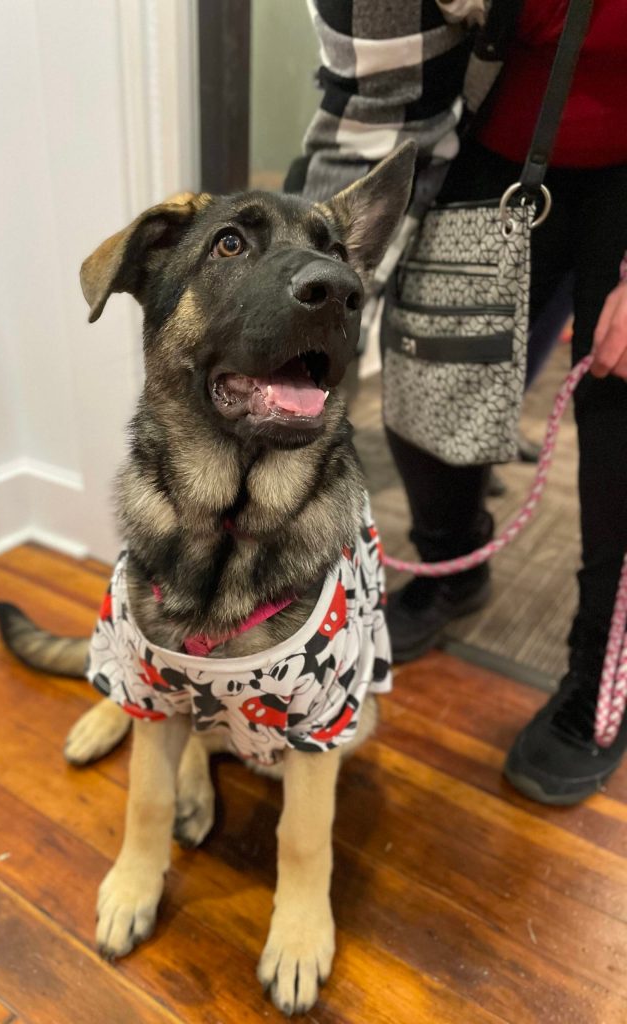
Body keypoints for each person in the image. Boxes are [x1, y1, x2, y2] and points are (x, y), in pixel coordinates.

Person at [286, 0, 627, 805]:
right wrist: (303, 302)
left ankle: (598, 671)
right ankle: (450, 563)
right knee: (429, 391)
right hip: (493, 152)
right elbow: (370, 110)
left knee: (617, 443)